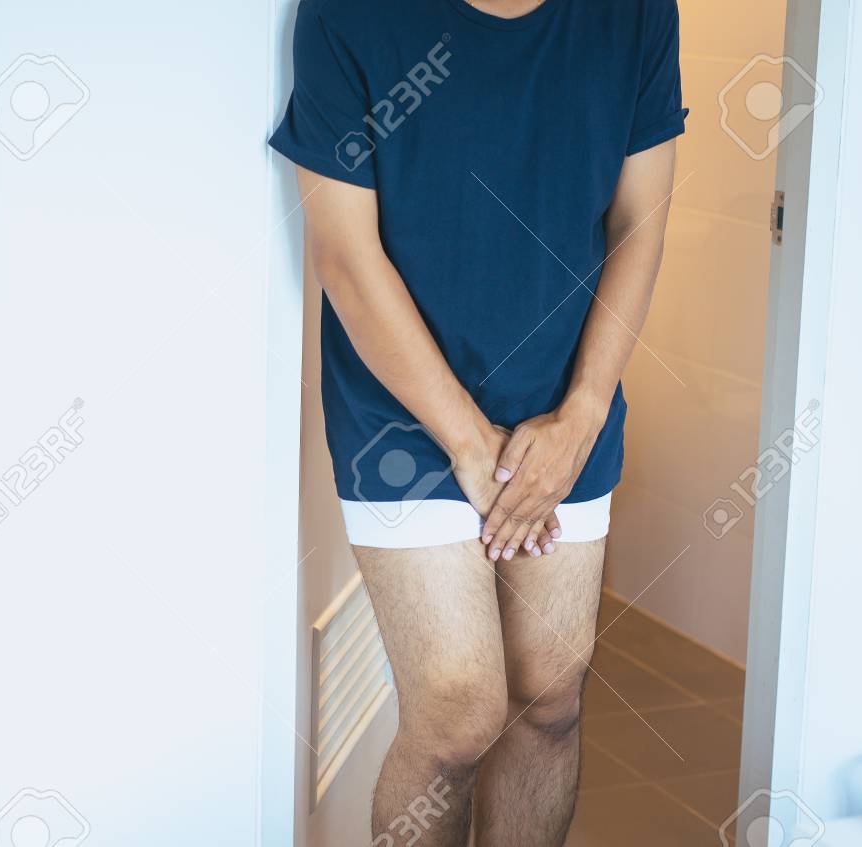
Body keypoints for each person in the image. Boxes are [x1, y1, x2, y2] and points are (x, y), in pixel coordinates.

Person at [269, 0, 687, 843]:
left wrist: (582, 414)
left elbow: (638, 219)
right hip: (402, 413)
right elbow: (344, 256)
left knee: (551, 696)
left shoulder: (637, 12)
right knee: (457, 713)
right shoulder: (349, 14)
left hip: (566, 401)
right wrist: (466, 440)